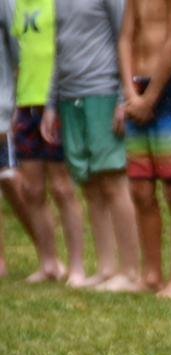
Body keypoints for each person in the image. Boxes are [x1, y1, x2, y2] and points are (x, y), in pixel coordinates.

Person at [42, 0, 144, 293]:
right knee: (89, 183)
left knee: (112, 181)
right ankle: (106, 267)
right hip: (68, 98)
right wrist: (51, 105)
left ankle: (131, 271)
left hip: (102, 92)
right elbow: (59, 51)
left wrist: (125, 97)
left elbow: (125, 39)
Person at [118, 0, 171, 298]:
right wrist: (130, 91)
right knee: (140, 189)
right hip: (136, 88)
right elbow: (126, 36)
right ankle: (151, 273)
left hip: (169, 88)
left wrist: (150, 98)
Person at [11, 0, 88, 286]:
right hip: (25, 102)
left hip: (56, 101)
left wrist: (57, 98)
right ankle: (49, 262)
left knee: (62, 186)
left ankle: (78, 266)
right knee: (32, 188)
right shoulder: (18, 6)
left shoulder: (58, 4)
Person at [0, 0, 34, 279]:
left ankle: (45, 247)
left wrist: (18, 106)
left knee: (10, 180)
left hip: (2, 106)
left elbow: (21, 52)